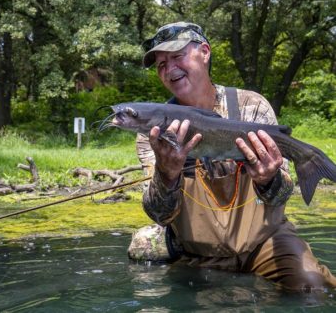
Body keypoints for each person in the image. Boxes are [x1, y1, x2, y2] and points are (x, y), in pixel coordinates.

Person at [127, 21, 336, 292]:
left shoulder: (251, 106)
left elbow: (281, 197)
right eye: (161, 65)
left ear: (205, 52)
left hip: (263, 243)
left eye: (177, 56)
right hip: (197, 254)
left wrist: (269, 179)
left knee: (312, 285)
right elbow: (158, 214)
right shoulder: (152, 133)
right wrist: (167, 175)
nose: (169, 69)